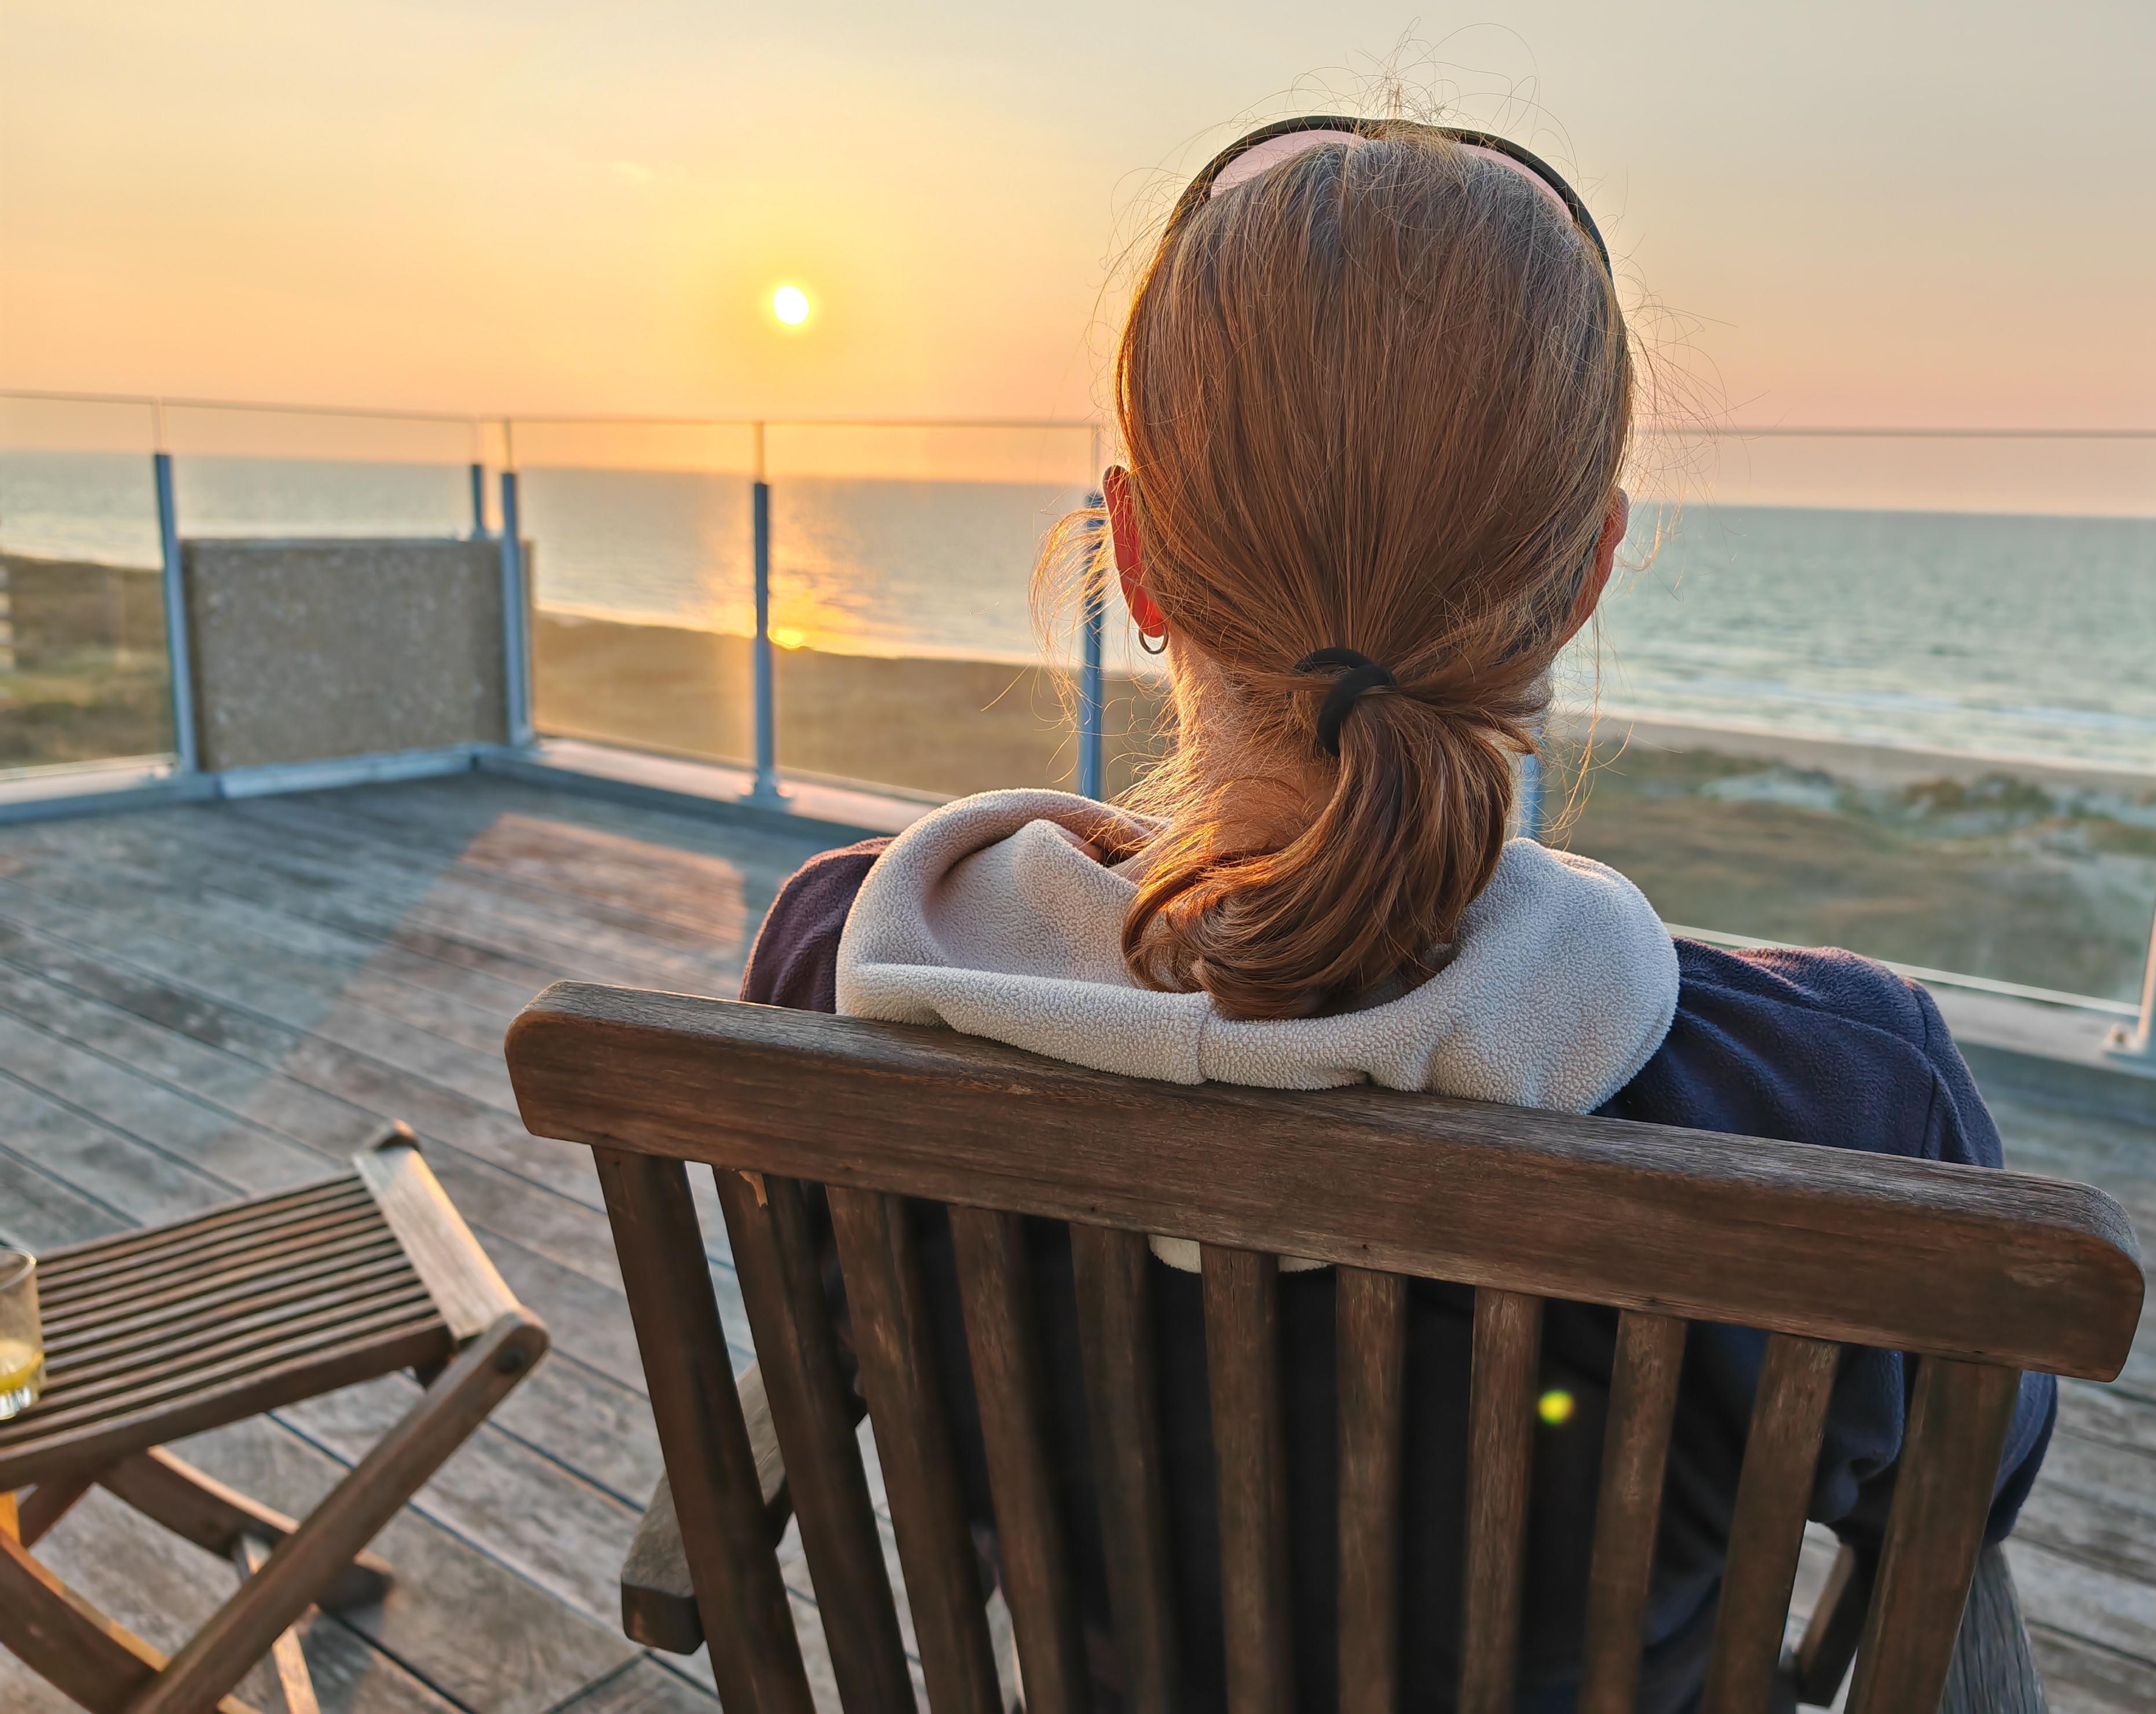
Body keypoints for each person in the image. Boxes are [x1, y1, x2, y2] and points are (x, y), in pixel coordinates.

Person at [743, 116, 2051, 1714]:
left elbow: (836, 1363)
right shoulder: (1847, 1104)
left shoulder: (846, 967)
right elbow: (1953, 1504)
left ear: (1137, 560)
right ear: (1587, 577)